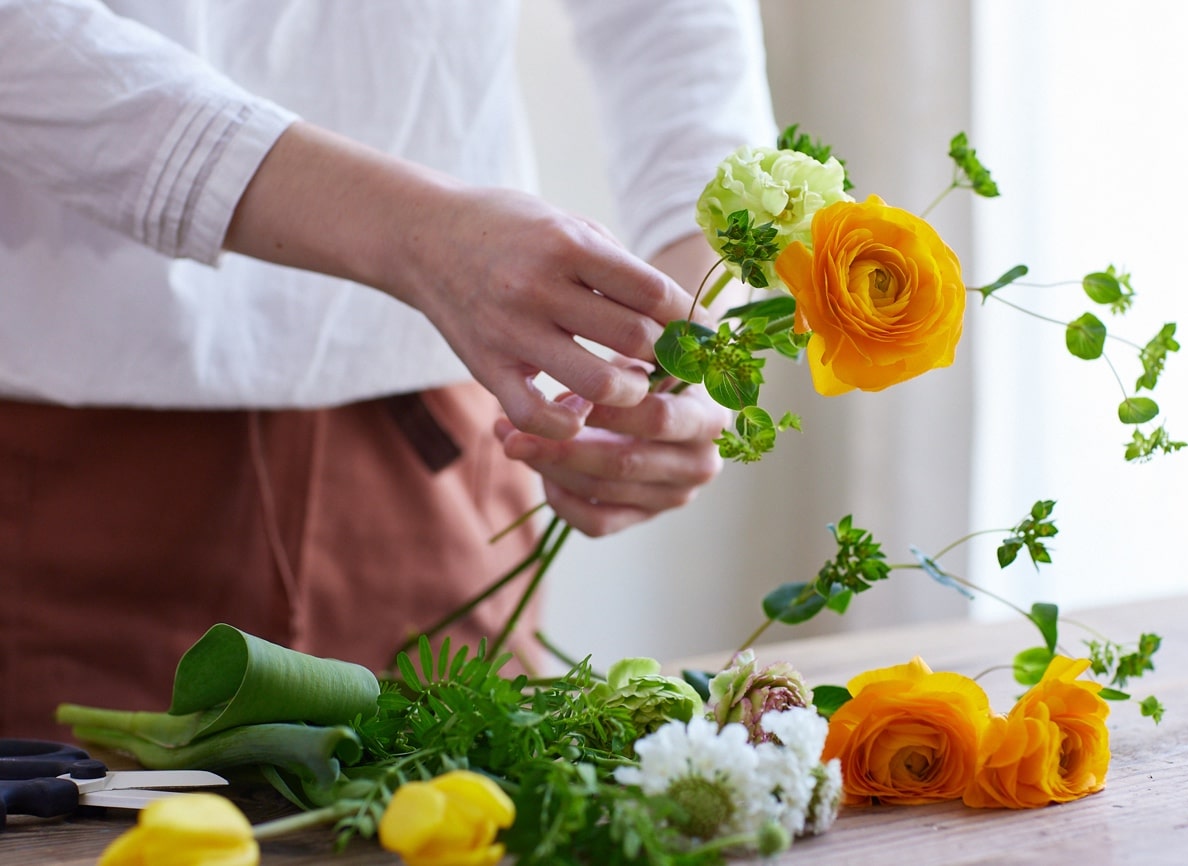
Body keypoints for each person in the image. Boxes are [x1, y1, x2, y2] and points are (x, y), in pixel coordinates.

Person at [0, 0, 777, 738]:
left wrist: (696, 312)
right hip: (71, 467)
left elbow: (677, 23)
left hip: (435, 455)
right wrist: (416, 233)